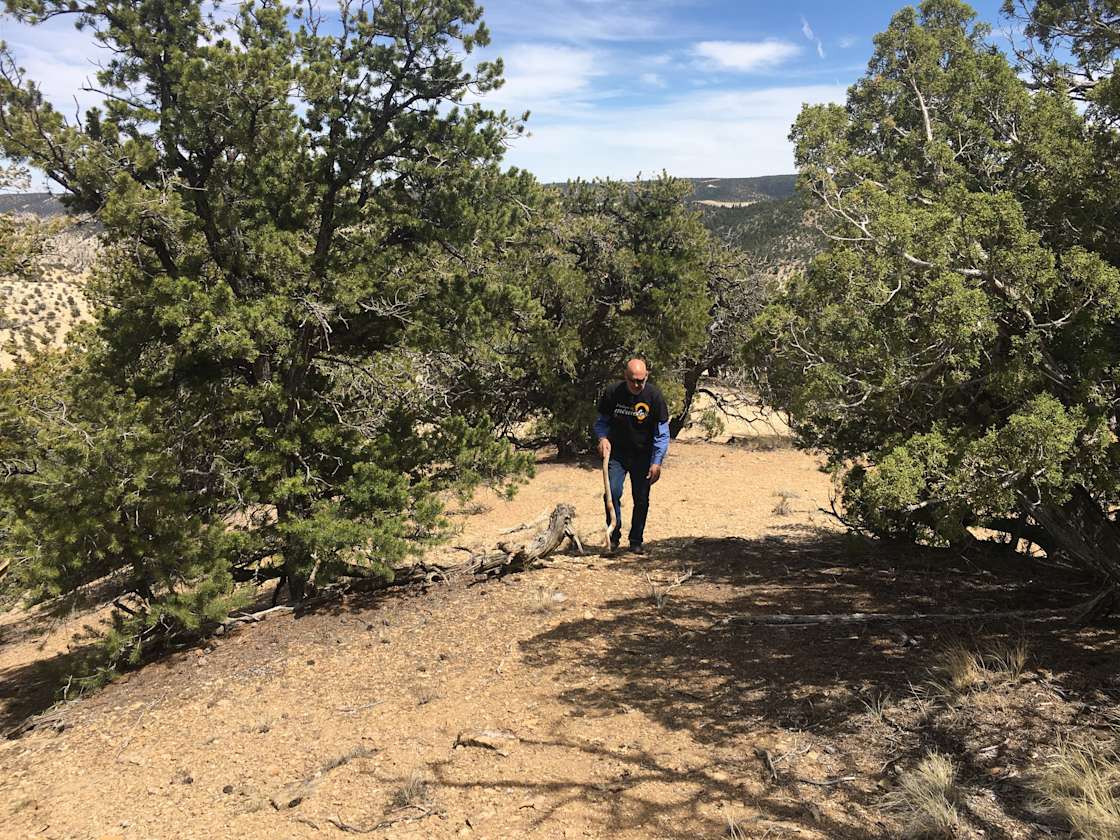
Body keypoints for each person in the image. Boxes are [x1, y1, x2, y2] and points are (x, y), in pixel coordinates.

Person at [593, 358, 669, 554]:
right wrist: (602, 438)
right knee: (613, 492)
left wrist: (657, 462)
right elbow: (602, 422)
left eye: (641, 380)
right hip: (617, 453)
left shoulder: (654, 396)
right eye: (633, 380)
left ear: (647, 377)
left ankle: (636, 540)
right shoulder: (613, 393)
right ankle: (614, 535)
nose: (637, 385)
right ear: (625, 377)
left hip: (643, 454)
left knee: (641, 498)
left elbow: (662, 433)